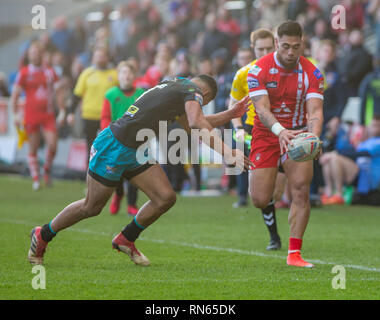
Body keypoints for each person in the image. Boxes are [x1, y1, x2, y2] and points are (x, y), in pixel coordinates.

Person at [28, 75, 253, 266]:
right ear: (205, 94)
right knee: (91, 206)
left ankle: (126, 238)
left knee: (164, 197)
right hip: (114, 145)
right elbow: (197, 123)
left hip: (135, 149)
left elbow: (190, 124)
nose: (201, 105)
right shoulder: (193, 91)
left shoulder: (177, 85)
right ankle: (43, 234)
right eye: (204, 102)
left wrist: (230, 114)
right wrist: (228, 153)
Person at [247, 21, 324, 267]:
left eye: (297, 46)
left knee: (301, 191)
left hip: (299, 134)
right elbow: (261, 109)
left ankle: (294, 254)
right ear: (277, 43)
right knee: (260, 199)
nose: (291, 52)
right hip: (267, 134)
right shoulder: (258, 70)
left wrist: (313, 136)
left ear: (303, 43)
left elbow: (315, 111)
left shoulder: (313, 73)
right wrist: (280, 131)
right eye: (286, 46)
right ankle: (275, 169)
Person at [228, 28, 285, 251]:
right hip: (257, 131)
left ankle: (292, 238)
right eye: (260, 49)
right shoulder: (244, 74)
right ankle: (274, 236)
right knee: (263, 193)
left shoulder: (288, 71)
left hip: (285, 129)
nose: (265, 52)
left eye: (269, 48)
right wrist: (239, 128)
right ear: (253, 49)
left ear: (276, 46)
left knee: (278, 190)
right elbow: (232, 104)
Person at [11, 41, 65, 190]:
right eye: (32, 52)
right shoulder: (24, 73)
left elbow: (59, 92)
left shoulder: (50, 71)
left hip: (47, 115)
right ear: (29, 55)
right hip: (31, 115)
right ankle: (36, 178)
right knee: (33, 148)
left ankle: (46, 169)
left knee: (53, 145)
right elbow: (15, 95)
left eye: (38, 52)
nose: (35, 55)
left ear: (42, 54)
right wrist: (15, 115)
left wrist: (61, 110)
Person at [100, 61, 145, 216]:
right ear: (118, 76)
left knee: (134, 172)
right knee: (115, 172)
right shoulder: (111, 94)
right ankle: (118, 194)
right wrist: (109, 134)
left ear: (134, 76)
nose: (127, 75)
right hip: (116, 139)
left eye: (130, 73)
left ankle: (132, 204)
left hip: (135, 139)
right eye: (124, 73)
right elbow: (105, 117)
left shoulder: (140, 94)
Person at [67, 46, 118, 162]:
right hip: (89, 115)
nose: (100, 59)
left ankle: (104, 175)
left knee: (106, 146)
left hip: (108, 117)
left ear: (107, 58)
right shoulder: (87, 73)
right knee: (90, 147)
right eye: (97, 56)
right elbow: (77, 95)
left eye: (102, 56)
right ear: (93, 58)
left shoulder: (114, 74)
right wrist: (70, 112)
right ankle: (89, 174)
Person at [319, 116, 380, 204]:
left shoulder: (378, 141)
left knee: (334, 158)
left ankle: (339, 195)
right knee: (329, 159)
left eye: (377, 126)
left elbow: (364, 154)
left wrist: (336, 153)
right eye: (372, 125)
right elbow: (352, 151)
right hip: (357, 172)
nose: (374, 128)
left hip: (366, 176)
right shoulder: (367, 141)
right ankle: (329, 193)